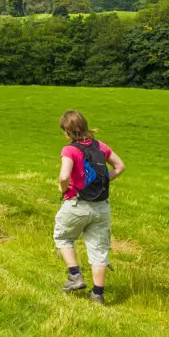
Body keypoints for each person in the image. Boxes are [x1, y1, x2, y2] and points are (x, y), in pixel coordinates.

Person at [53, 110, 126, 306]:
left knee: (63, 237)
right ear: (85, 126)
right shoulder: (100, 146)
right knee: (99, 250)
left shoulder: (70, 150)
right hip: (102, 207)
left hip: (77, 204)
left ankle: (75, 275)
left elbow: (63, 176)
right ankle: (98, 295)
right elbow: (120, 166)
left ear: (67, 132)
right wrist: (104, 180)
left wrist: (63, 188)